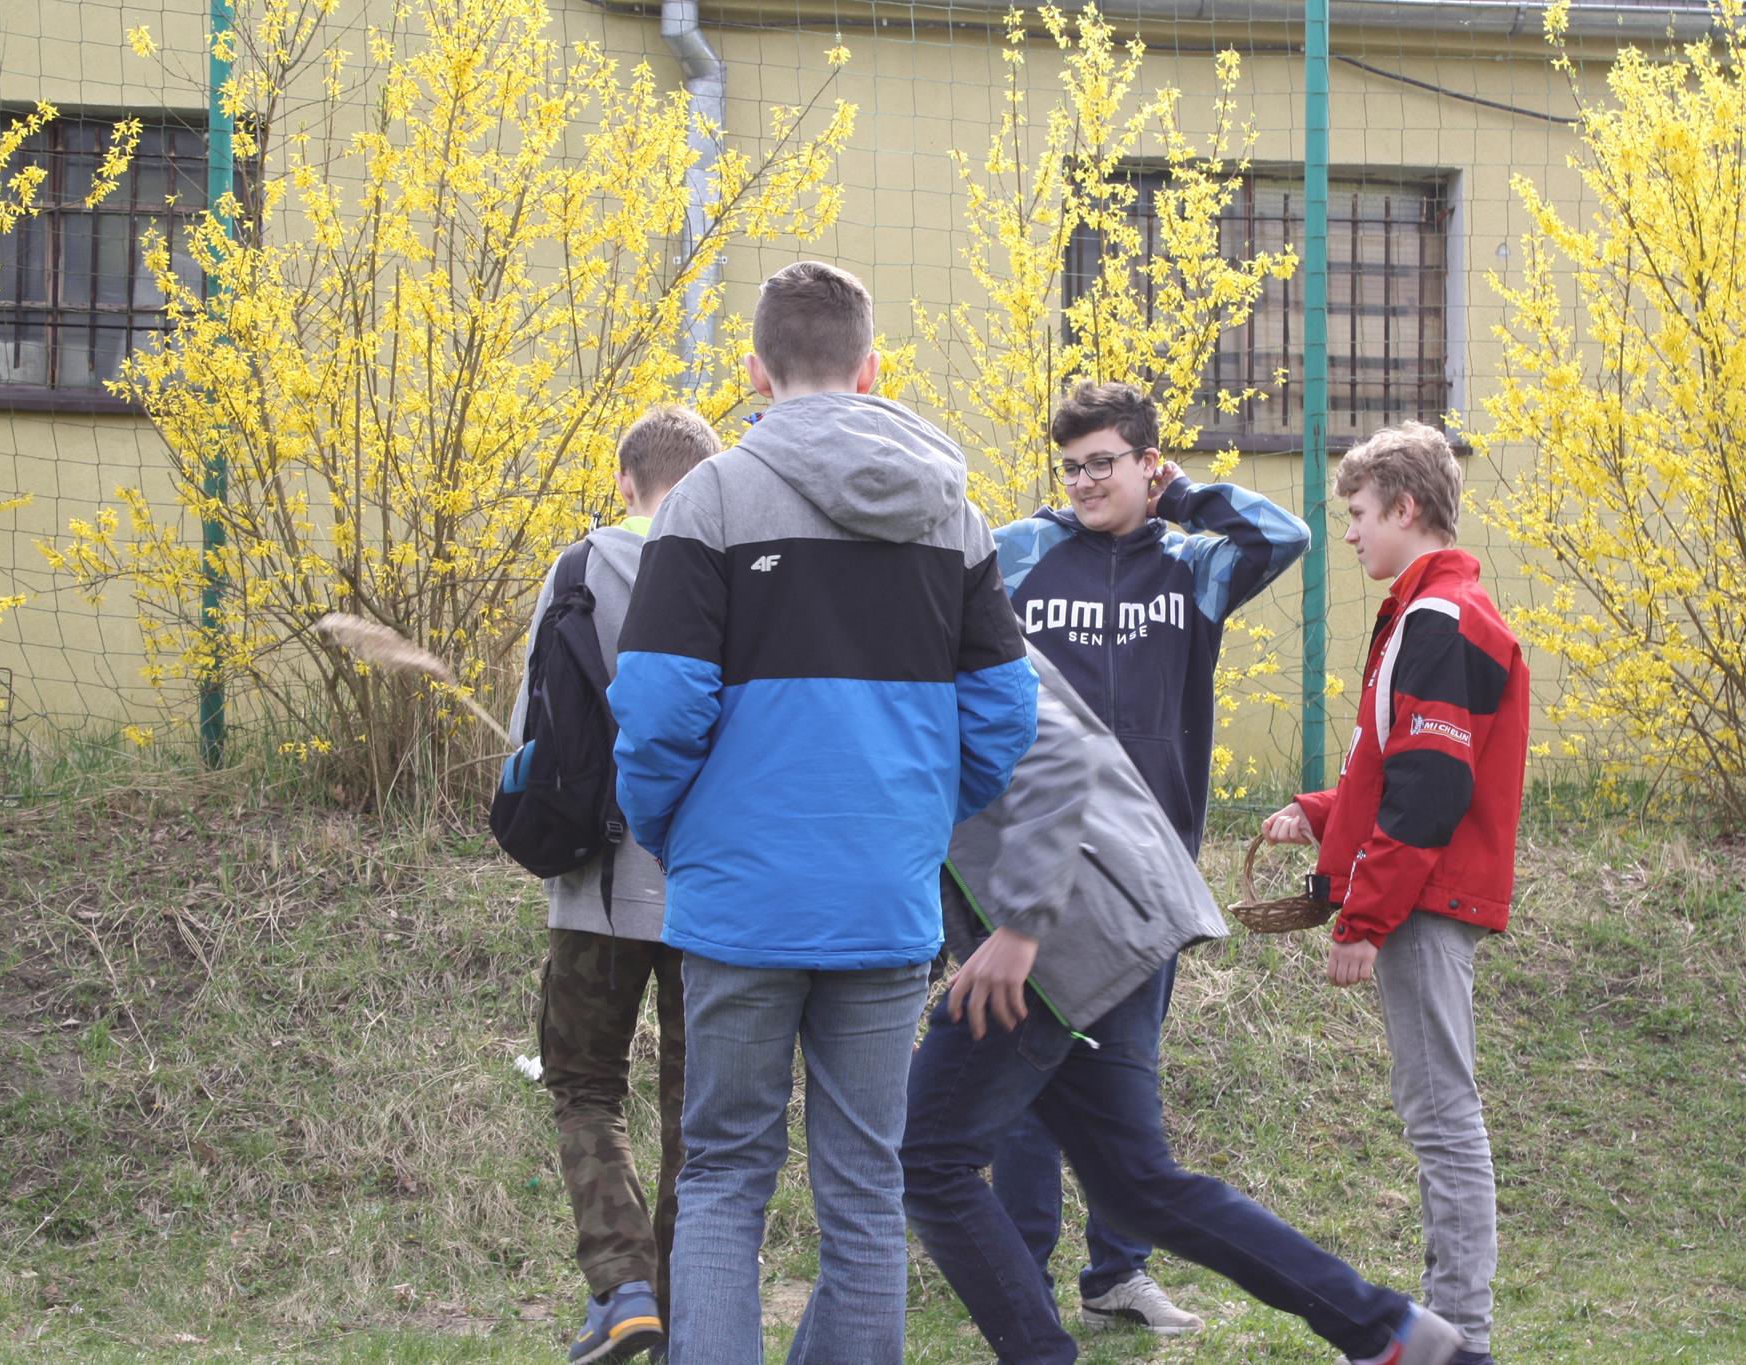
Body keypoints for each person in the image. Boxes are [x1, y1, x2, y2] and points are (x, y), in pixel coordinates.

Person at [607, 260, 1038, 1365]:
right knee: (865, 1189)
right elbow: (1004, 712)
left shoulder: (707, 500)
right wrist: (912, 821)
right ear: (871, 368)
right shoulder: (954, 514)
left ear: (755, 373)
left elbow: (656, 707)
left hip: (737, 899)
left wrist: (672, 832)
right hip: (882, 898)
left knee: (723, 1178)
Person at [902, 647, 1466, 1365]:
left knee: (928, 1157)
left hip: (1054, 933)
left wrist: (1020, 924)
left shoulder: (934, 611)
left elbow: (1062, 757)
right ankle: (1389, 1330)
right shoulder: (930, 608)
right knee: (1138, 1187)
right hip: (1105, 923)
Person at [990, 379, 1309, 1333]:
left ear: (1147, 462)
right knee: (1024, 1075)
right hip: (1036, 862)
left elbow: (1284, 535)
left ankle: (1117, 1275)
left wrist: (1187, 497)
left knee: (1126, 1075)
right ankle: (1017, 1273)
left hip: (1148, 869)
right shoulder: (1022, 552)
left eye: (1104, 463)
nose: (1085, 481)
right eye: (1072, 466)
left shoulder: (1192, 562)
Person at [1261, 420, 1530, 1365]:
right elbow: (1397, 763)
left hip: (1422, 902)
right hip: (1422, 892)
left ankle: (1460, 1337)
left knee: (1443, 1117)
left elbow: (1431, 788)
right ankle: (1453, 1327)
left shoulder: (1440, 620)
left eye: (1359, 513)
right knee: (1437, 1112)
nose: (1348, 533)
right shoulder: (1429, 614)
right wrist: (1319, 813)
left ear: (1406, 508)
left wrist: (1364, 917)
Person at [508, 405, 722, 1364]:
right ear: (710, 477)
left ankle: (624, 1284)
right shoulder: (736, 566)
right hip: (712, 887)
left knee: (585, 1083)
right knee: (696, 1111)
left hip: (597, 882)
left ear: (625, 481)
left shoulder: (578, 568)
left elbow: (534, 727)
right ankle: (684, 1319)